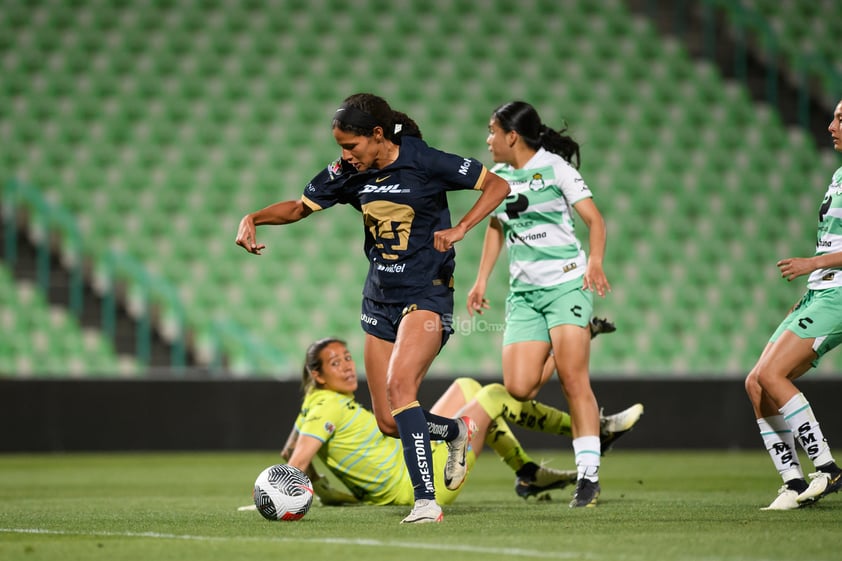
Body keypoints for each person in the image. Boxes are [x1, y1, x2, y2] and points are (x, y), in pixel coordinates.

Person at [235, 93, 511, 523]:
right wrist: (253, 217)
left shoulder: (425, 160)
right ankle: (455, 430)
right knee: (387, 419)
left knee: (401, 389)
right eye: (340, 148)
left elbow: (498, 184)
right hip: (379, 298)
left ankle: (425, 502)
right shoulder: (349, 172)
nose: (345, 155)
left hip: (428, 292)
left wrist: (461, 228)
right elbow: (297, 207)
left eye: (351, 146)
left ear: (378, 135)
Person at [279, 338, 643, 509]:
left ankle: (527, 471)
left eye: (347, 357)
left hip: (412, 461)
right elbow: (296, 464)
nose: (347, 366)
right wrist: (284, 497)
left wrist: (335, 495)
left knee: (466, 387)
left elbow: (289, 451)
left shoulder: (316, 404)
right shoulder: (328, 407)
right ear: (318, 375)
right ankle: (593, 430)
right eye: (336, 363)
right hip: (426, 478)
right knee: (496, 395)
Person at [466, 101, 611, 508]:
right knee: (519, 387)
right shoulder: (497, 177)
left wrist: (595, 262)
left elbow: (595, 221)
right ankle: (584, 335)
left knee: (572, 380)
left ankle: (588, 477)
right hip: (525, 296)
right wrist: (480, 281)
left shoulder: (557, 169)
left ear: (512, 136)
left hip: (567, 284)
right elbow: (495, 227)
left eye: (493, 131)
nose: (488, 139)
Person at [744, 99, 842, 511]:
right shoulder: (839, 175)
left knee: (772, 372)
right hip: (822, 290)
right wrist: (810, 287)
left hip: (838, 293)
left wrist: (812, 264)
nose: (831, 125)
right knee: (755, 382)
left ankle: (827, 468)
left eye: (841, 119)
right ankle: (795, 482)